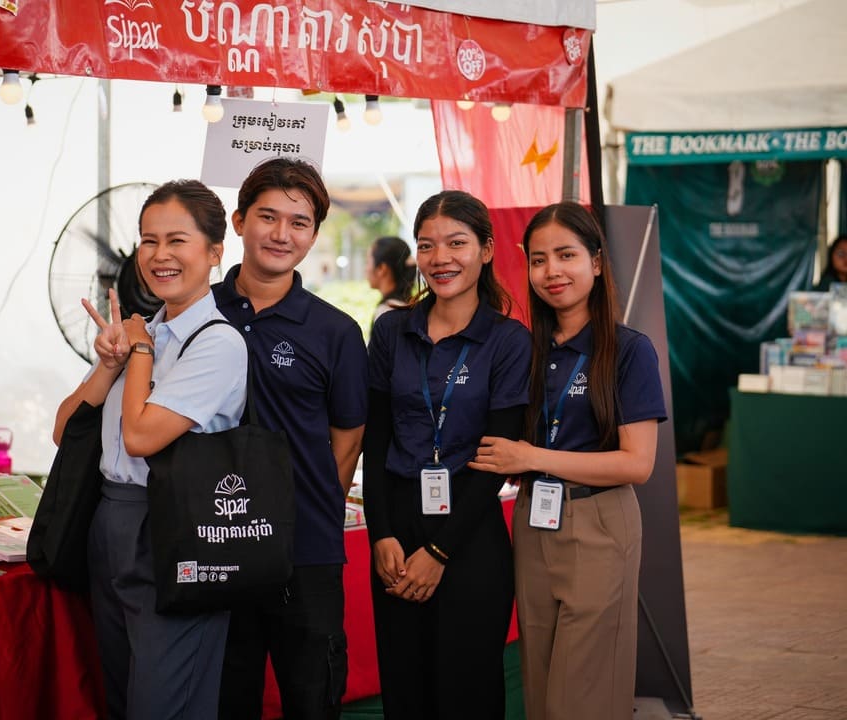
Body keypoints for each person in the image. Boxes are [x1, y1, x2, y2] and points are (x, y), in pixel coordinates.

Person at [53, 180, 247, 720]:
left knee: (162, 704)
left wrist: (136, 348)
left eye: (177, 240)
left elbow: (139, 437)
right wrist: (114, 361)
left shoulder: (218, 342)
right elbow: (66, 428)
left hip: (175, 532)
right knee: (120, 693)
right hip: (111, 523)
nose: (159, 255)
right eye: (147, 240)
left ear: (213, 252)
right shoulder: (143, 334)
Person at [469, 201, 667, 720]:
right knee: (541, 683)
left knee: (583, 695)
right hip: (535, 519)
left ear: (597, 262)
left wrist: (533, 455)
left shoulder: (627, 350)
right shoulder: (523, 348)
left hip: (600, 521)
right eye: (538, 260)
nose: (551, 271)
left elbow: (636, 464)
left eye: (566, 255)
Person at [363, 190, 531, 719]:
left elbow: (494, 460)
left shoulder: (508, 341)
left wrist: (438, 554)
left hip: (470, 533)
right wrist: (381, 533)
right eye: (427, 246)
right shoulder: (392, 330)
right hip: (397, 524)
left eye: (456, 243)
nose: (441, 258)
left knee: (467, 690)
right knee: (405, 690)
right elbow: (376, 438)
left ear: (485, 249)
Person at [214, 157, 368, 720]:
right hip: (212, 546)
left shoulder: (337, 332)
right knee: (226, 698)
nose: (282, 234)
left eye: (299, 222)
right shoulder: (194, 312)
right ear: (238, 221)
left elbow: (349, 436)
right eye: (268, 217)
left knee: (312, 696)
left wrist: (313, 509)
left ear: (314, 234)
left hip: (305, 553)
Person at [367, 235, 417, 325]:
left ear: (382, 268)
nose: (366, 269)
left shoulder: (387, 312)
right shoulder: (408, 307)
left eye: (368, 262)